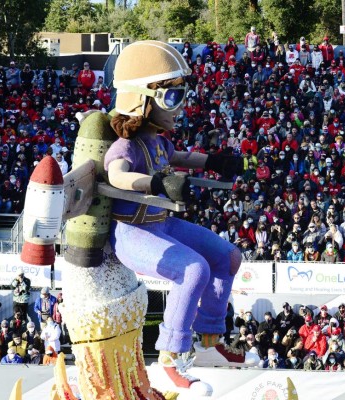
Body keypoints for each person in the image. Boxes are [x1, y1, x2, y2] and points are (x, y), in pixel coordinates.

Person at [105, 40, 253, 394]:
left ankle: (209, 337)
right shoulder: (126, 146)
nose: (180, 108)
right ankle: (170, 354)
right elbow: (117, 177)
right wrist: (155, 182)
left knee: (229, 257)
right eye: (172, 98)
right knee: (194, 270)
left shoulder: (157, 141)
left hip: (162, 223)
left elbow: (182, 158)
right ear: (142, 100)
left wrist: (216, 162)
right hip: (131, 231)